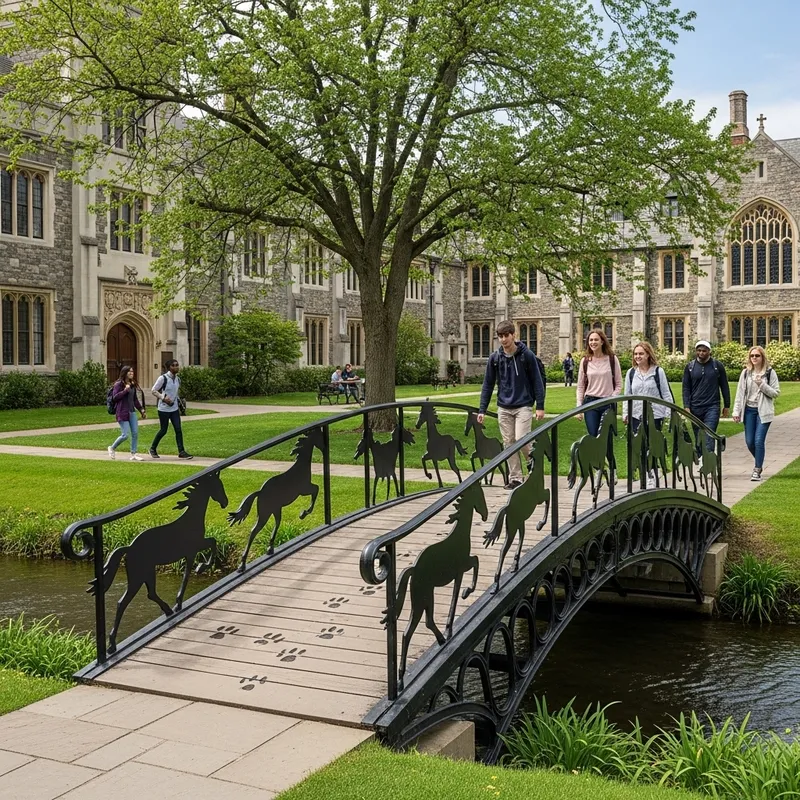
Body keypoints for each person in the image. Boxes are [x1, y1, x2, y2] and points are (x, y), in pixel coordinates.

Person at [477, 320, 545, 490]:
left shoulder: (526, 355)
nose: (503, 339)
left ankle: (534, 467)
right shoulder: (495, 358)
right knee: (509, 443)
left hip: (523, 405)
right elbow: (487, 385)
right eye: (500, 336)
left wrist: (540, 406)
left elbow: (537, 381)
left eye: (506, 335)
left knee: (522, 439)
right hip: (504, 406)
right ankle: (515, 478)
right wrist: (482, 409)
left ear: (514, 335)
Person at [622, 342, 673, 487]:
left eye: (641, 354)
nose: (637, 356)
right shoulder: (631, 373)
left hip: (655, 415)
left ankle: (653, 473)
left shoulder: (658, 372)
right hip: (636, 414)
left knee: (652, 446)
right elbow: (627, 395)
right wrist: (625, 413)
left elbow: (666, 393)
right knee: (639, 446)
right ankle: (645, 473)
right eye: (635, 354)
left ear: (648, 355)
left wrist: (668, 413)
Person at [576, 329, 622, 477]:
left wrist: (612, 398)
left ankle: (612, 469)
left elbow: (619, 384)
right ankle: (599, 469)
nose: (593, 342)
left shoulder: (612, 359)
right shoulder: (585, 361)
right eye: (590, 340)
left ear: (602, 341)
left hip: (607, 403)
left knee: (606, 440)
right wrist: (579, 407)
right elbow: (580, 386)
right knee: (594, 437)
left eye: (596, 339)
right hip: (590, 403)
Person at [732, 346, 780, 481]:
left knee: (759, 441)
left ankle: (757, 470)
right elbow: (740, 394)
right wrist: (736, 411)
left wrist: (761, 384)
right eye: (752, 355)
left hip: (763, 411)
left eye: (757, 355)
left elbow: (776, 393)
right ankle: (760, 460)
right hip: (749, 411)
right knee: (749, 442)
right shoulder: (745, 373)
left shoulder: (770, 373)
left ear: (762, 357)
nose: (754, 358)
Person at [682, 340, 730, 457]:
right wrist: (686, 406)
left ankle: (708, 461)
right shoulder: (690, 367)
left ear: (709, 351)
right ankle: (701, 459)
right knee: (698, 436)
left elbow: (724, 386)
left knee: (709, 435)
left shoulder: (717, 366)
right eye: (699, 350)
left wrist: (727, 405)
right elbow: (686, 388)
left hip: (712, 406)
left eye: (704, 351)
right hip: (695, 407)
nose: (701, 353)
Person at [149, 360, 193, 459]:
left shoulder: (178, 379)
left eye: (177, 365)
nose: (176, 367)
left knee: (178, 429)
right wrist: (163, 398)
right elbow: (153, 390)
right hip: (163, 409)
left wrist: (180, 404)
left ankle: (181, 452)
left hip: (174, 409)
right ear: (169, 367)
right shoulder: (163, 378)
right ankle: (152, 449)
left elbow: (175, 393)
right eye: (174, 365)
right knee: (163, 430)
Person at [107, 365, 147, 461]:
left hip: (132, 412)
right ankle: (112, 448)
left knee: (135, 433)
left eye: (132, 371)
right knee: (125, 435)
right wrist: (125, 391)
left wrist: (141, 410)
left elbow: (135, 399)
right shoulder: (118, 384)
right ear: (124, 373)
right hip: (122, 412)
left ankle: (134, 454)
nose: (131, 373)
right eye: (129, 372)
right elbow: (115, 397)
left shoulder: (132, 384)